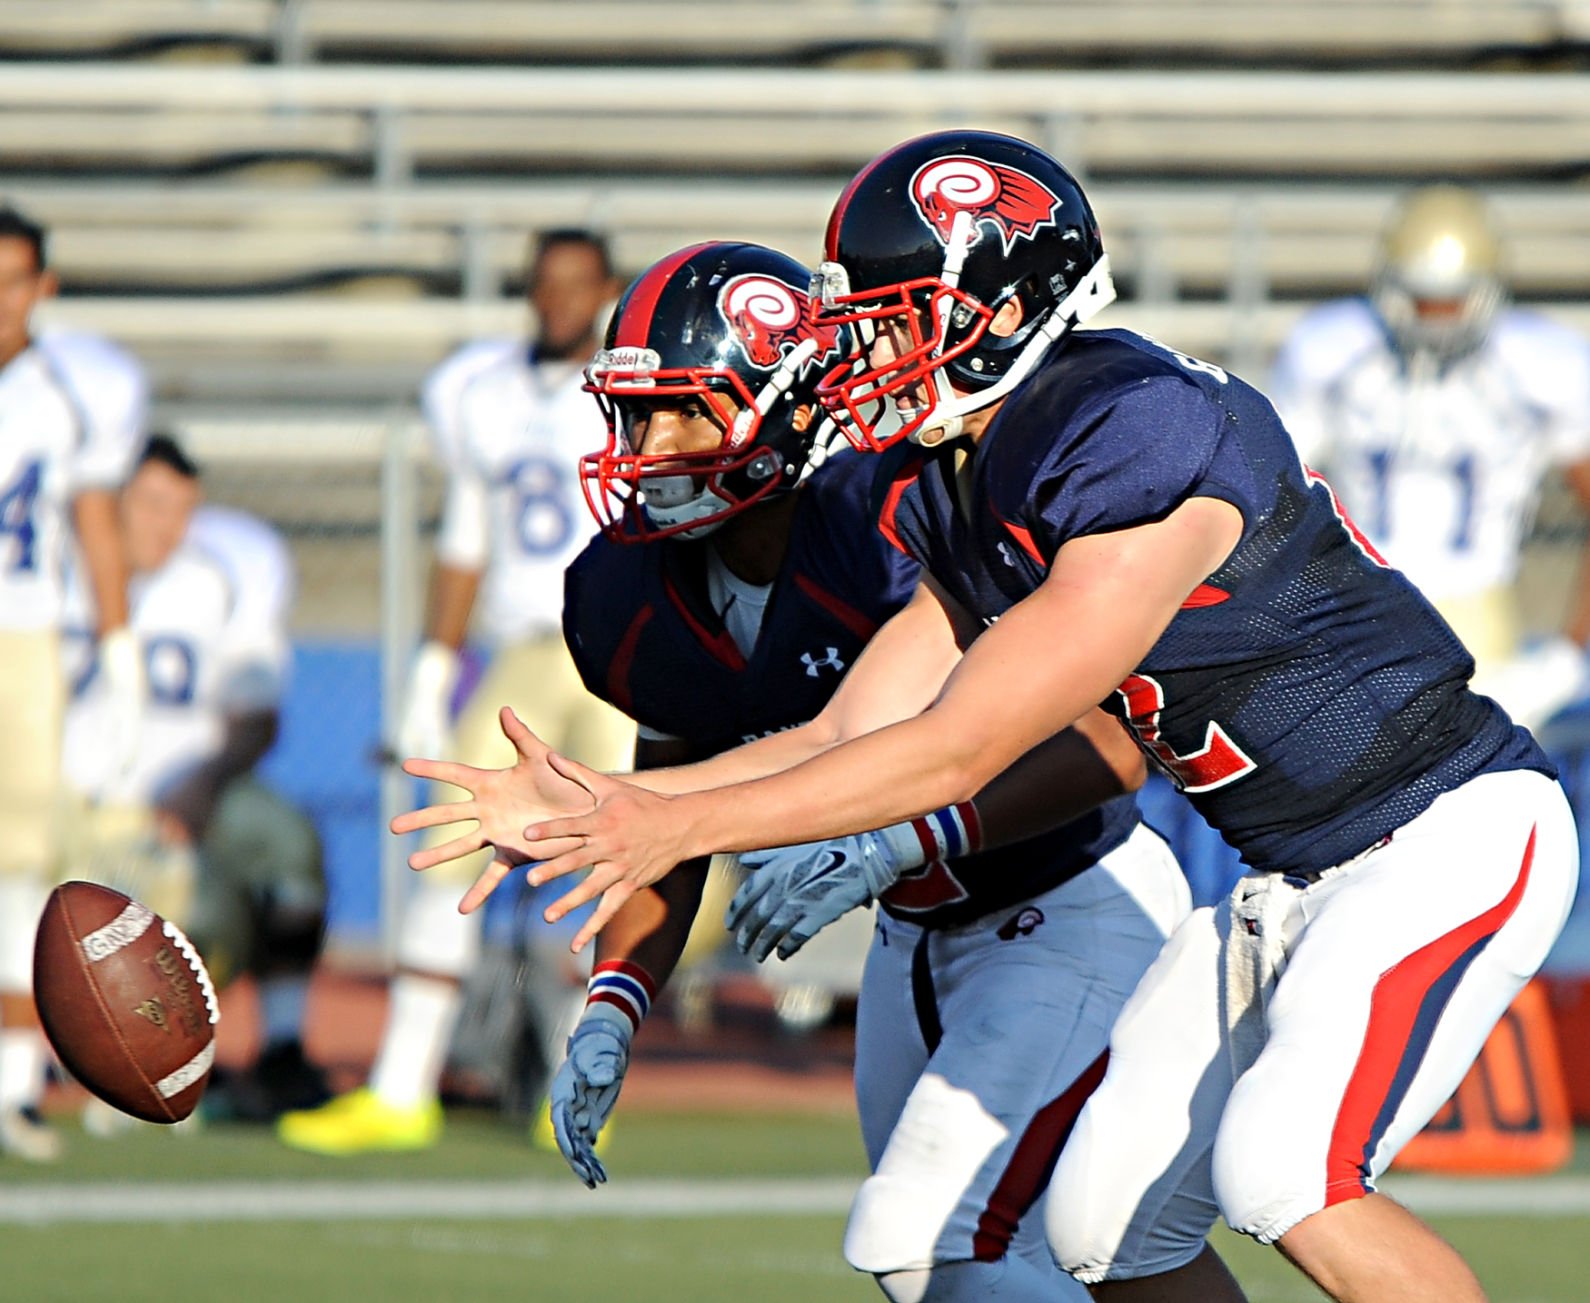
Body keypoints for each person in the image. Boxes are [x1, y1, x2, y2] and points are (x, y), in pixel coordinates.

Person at [401, 131, 1578, 1303]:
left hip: (1439, 829)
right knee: (1103, 1223)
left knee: (1285, 1174)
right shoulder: (967, 474)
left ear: (1003, 306)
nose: (861, 344)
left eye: (893, 315)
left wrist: (682, 826)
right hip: (1287, 875)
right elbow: (843, 733)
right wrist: (620, 805)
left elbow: (959, 745)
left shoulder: (1126, 431)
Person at [458, 239, 1192, 1301]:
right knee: (1076, 1264)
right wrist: (617, 998)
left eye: (685, 411)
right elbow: (678, 806)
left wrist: (910, 833)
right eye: (635, 415)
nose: (649, 446)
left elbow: (1107, 740)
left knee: (933, 1239)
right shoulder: (624, 596)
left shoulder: (893, 520)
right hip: (912, 937)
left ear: (787, 403)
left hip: (1069, 903)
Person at [278, 228, 635, 1155]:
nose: (558, 303)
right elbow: (466, 537)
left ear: (607, 289)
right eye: (544, 285)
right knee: (449, 841)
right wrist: (433, 670)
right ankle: (402, 1087)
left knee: (616, 863)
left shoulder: (641, 384)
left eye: (576, 286)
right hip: (524, 644)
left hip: (627, 643)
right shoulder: (481, 391)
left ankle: (578, 1089)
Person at [60, 434, 331, 1124]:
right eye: (150, 504)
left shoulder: (217, 578)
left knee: (286, 846)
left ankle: (278, 1046)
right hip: (73, 810)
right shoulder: (56, 574)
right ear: (112, 499)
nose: (165, 526)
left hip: (185, 808)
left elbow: (259, 716)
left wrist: (203, 785)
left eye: (182, 509)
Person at [1270, 184, 1590, 731]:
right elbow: (1274, 499)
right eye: (1422, 298)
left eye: (1453, 300)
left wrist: (1569, 652)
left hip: (1481, 615)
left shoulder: (1542, 362)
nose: (1437, 317)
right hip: (1356, 606)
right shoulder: (1332, 348)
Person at [0, 203, 142, 1161]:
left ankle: (10, 1084)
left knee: (18, 866)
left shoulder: (73, 386)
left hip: (22, 633)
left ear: (43, 288)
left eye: (11, 277)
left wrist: (119, 645)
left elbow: (94, 516)